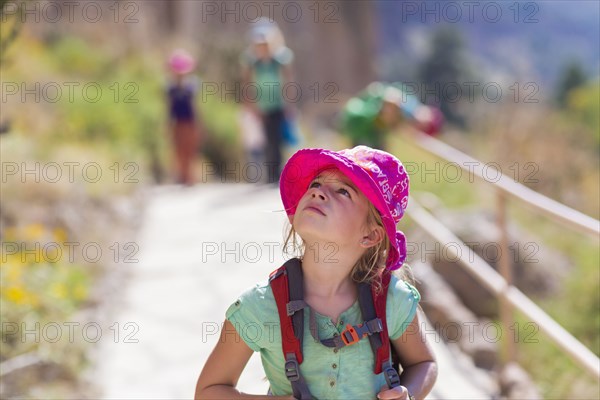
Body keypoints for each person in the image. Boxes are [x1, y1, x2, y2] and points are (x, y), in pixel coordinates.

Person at [195, 146, 437, 399]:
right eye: (316, 183)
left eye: (343, 191)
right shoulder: (260, 306)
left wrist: (408, 394)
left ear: (371, 235)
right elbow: (208, 391)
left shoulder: (391, 300)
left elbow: (424, 364)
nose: (318, 192)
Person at [241, 19, 294, 184]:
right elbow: (247, 84)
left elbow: (288, 82)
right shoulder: (252, 62)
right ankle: (268, 174)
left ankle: (277, 175)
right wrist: (250, 105)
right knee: (264, 140)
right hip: (261, 106)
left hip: (278, 105)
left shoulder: (280, 59)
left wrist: (289, 104)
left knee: (277, 139)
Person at [339, 82, 444, 149]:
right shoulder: (411, 107)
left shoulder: (406, 120)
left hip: (362, 131)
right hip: (361, 116)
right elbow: (391, 98)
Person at [166, 49, 201, 185]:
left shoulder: (192, 85)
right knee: (178, 150)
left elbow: (196, 106)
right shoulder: (170, 87)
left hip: (190, 122)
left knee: (190, 150)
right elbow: (168, 107)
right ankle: (182, 176)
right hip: (177, 123)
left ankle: (191, 177)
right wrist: (167, 123)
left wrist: (199, 124)